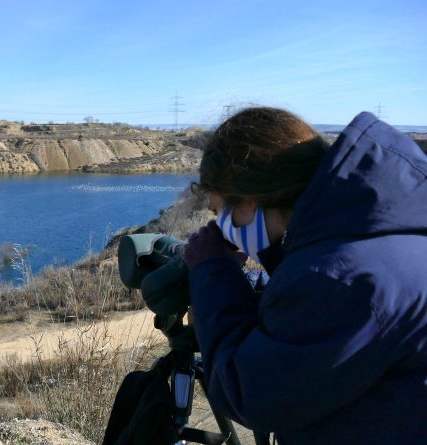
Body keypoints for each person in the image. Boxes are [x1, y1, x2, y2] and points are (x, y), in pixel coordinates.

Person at [181, 107, 427, 444]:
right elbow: (308, 319)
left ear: (250, 202)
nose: (218, 225)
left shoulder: (339, 279)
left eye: (217, 211)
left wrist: (212, 269)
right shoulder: (379, 230)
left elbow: (251, 394)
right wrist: (260, 276)